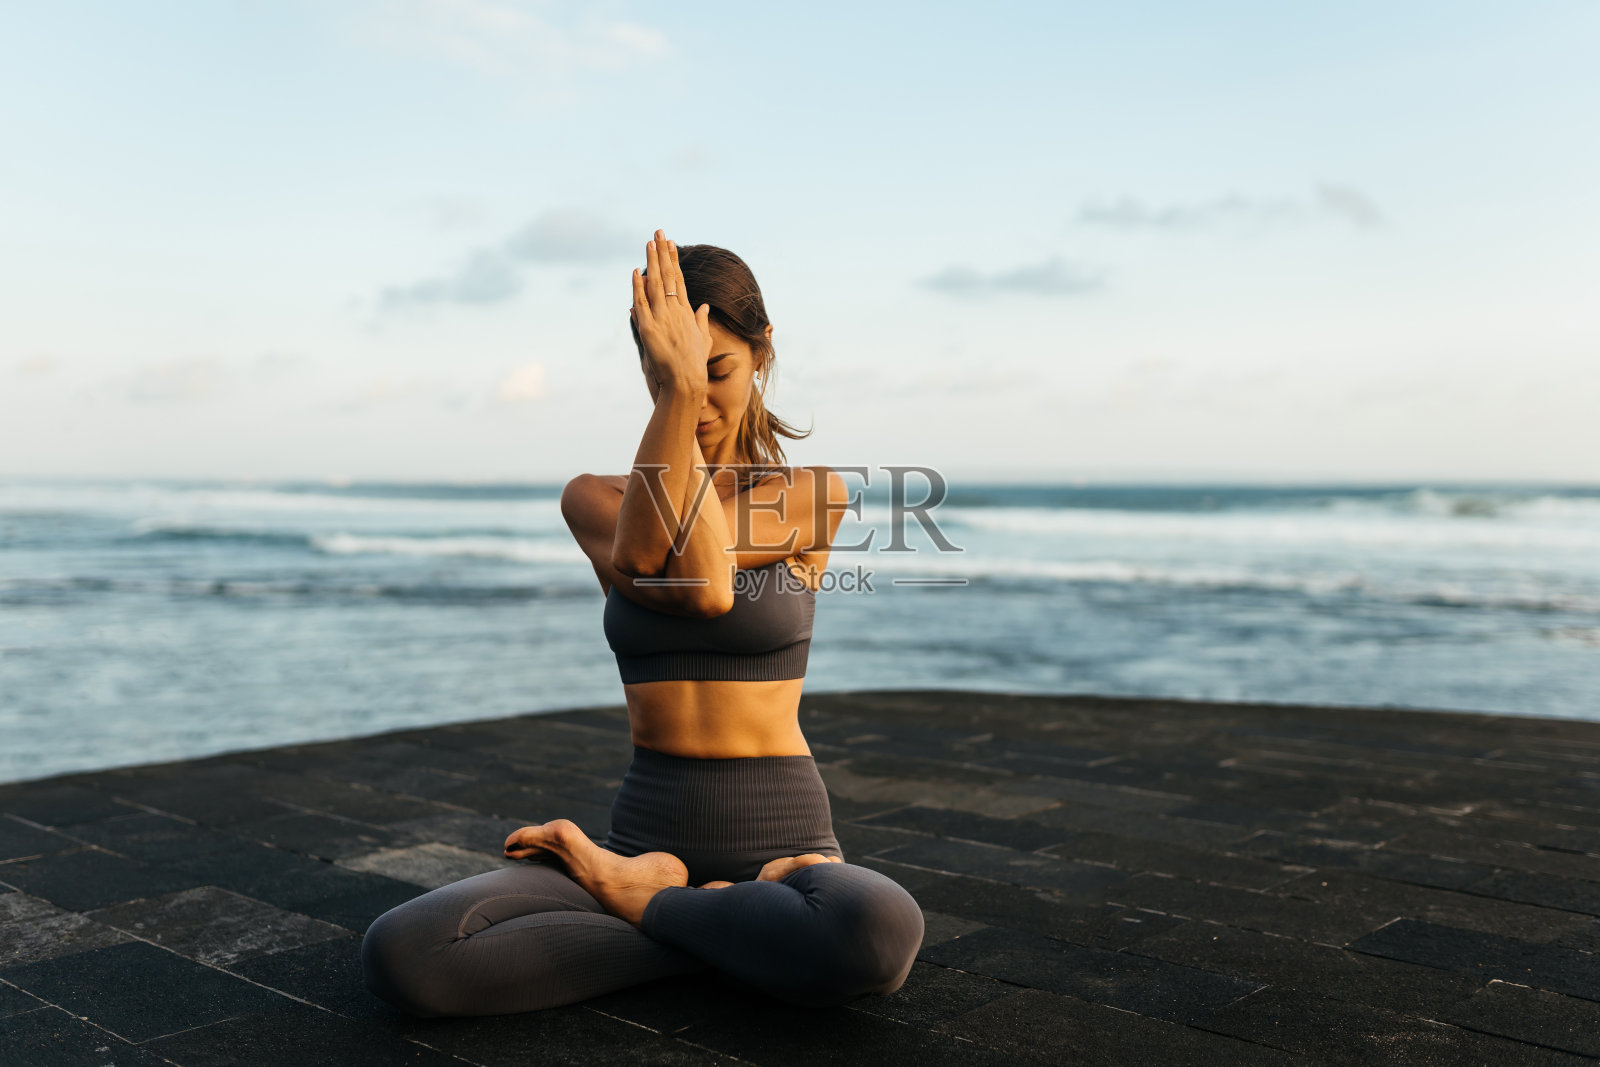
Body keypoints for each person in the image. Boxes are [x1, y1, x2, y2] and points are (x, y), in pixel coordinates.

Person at [360, 229, 925, 1017]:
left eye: (716, 372)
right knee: (405, 952)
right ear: (652, 370)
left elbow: (705, 585)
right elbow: (676, 562)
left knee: (875, 931)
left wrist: (678, 388)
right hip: (639, 841)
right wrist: (680, 393)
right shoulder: (593, 499)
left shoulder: (813, 495)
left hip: (787, 854)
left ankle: (654, 909)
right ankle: (730, 934)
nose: (697, 399)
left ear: (763, 354)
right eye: (670, 375)